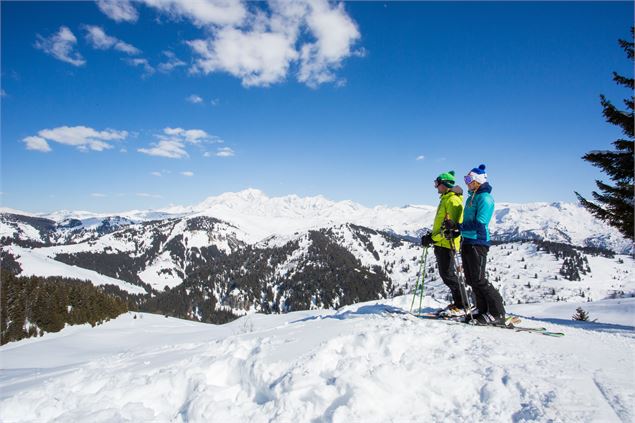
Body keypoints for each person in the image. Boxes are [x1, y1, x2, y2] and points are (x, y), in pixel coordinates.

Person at [444, 164, 506, 325]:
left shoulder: (485, 198)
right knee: (471, 280)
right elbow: (468, 222)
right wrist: (457, 231)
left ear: (478, 181)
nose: (466, 182)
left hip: (478, 242)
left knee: (479, 279)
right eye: (465, 179)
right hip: (468, 241)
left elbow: (480, 223)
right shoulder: (473, 197)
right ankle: (482, 308)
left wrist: (458, 227)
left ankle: (497, 313)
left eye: (469, 179)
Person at [420, 171, 465, 317]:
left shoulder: (452, 200)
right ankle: (459, 302)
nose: (435, 187)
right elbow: (442, 224)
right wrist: (432, 236)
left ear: (444, 184)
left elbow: (450, 228)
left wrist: (434, 239)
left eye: (436, 184)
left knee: (448, 275)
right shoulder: (446, 199)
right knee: (447, 275)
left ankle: (462, 304)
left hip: (447, 243)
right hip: (442, 243)